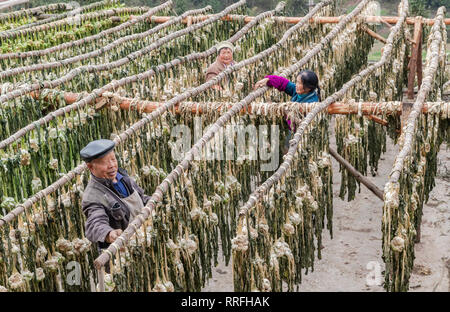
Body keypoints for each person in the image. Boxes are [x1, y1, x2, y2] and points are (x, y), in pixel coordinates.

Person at [80, 139, 150, 250]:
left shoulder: (122, 177)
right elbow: (95, 222)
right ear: (91, 167)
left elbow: (141, 198)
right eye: (105, 162)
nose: (112, 165)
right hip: (125, 250)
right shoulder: (92, 196)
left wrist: (153, 201)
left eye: (113, 159)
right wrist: (108, 234)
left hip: (145, 236)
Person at [254, 70, 321, 152]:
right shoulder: (299, 92)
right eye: (296, 82)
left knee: (292, 152)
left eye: (299, 83)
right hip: (291, 129)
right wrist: (268, 80)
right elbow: (284, 83)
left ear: (309, 87)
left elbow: (301, 124)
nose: (296, 85)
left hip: (301, 135)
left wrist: (285, 110)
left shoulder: (311, 103)